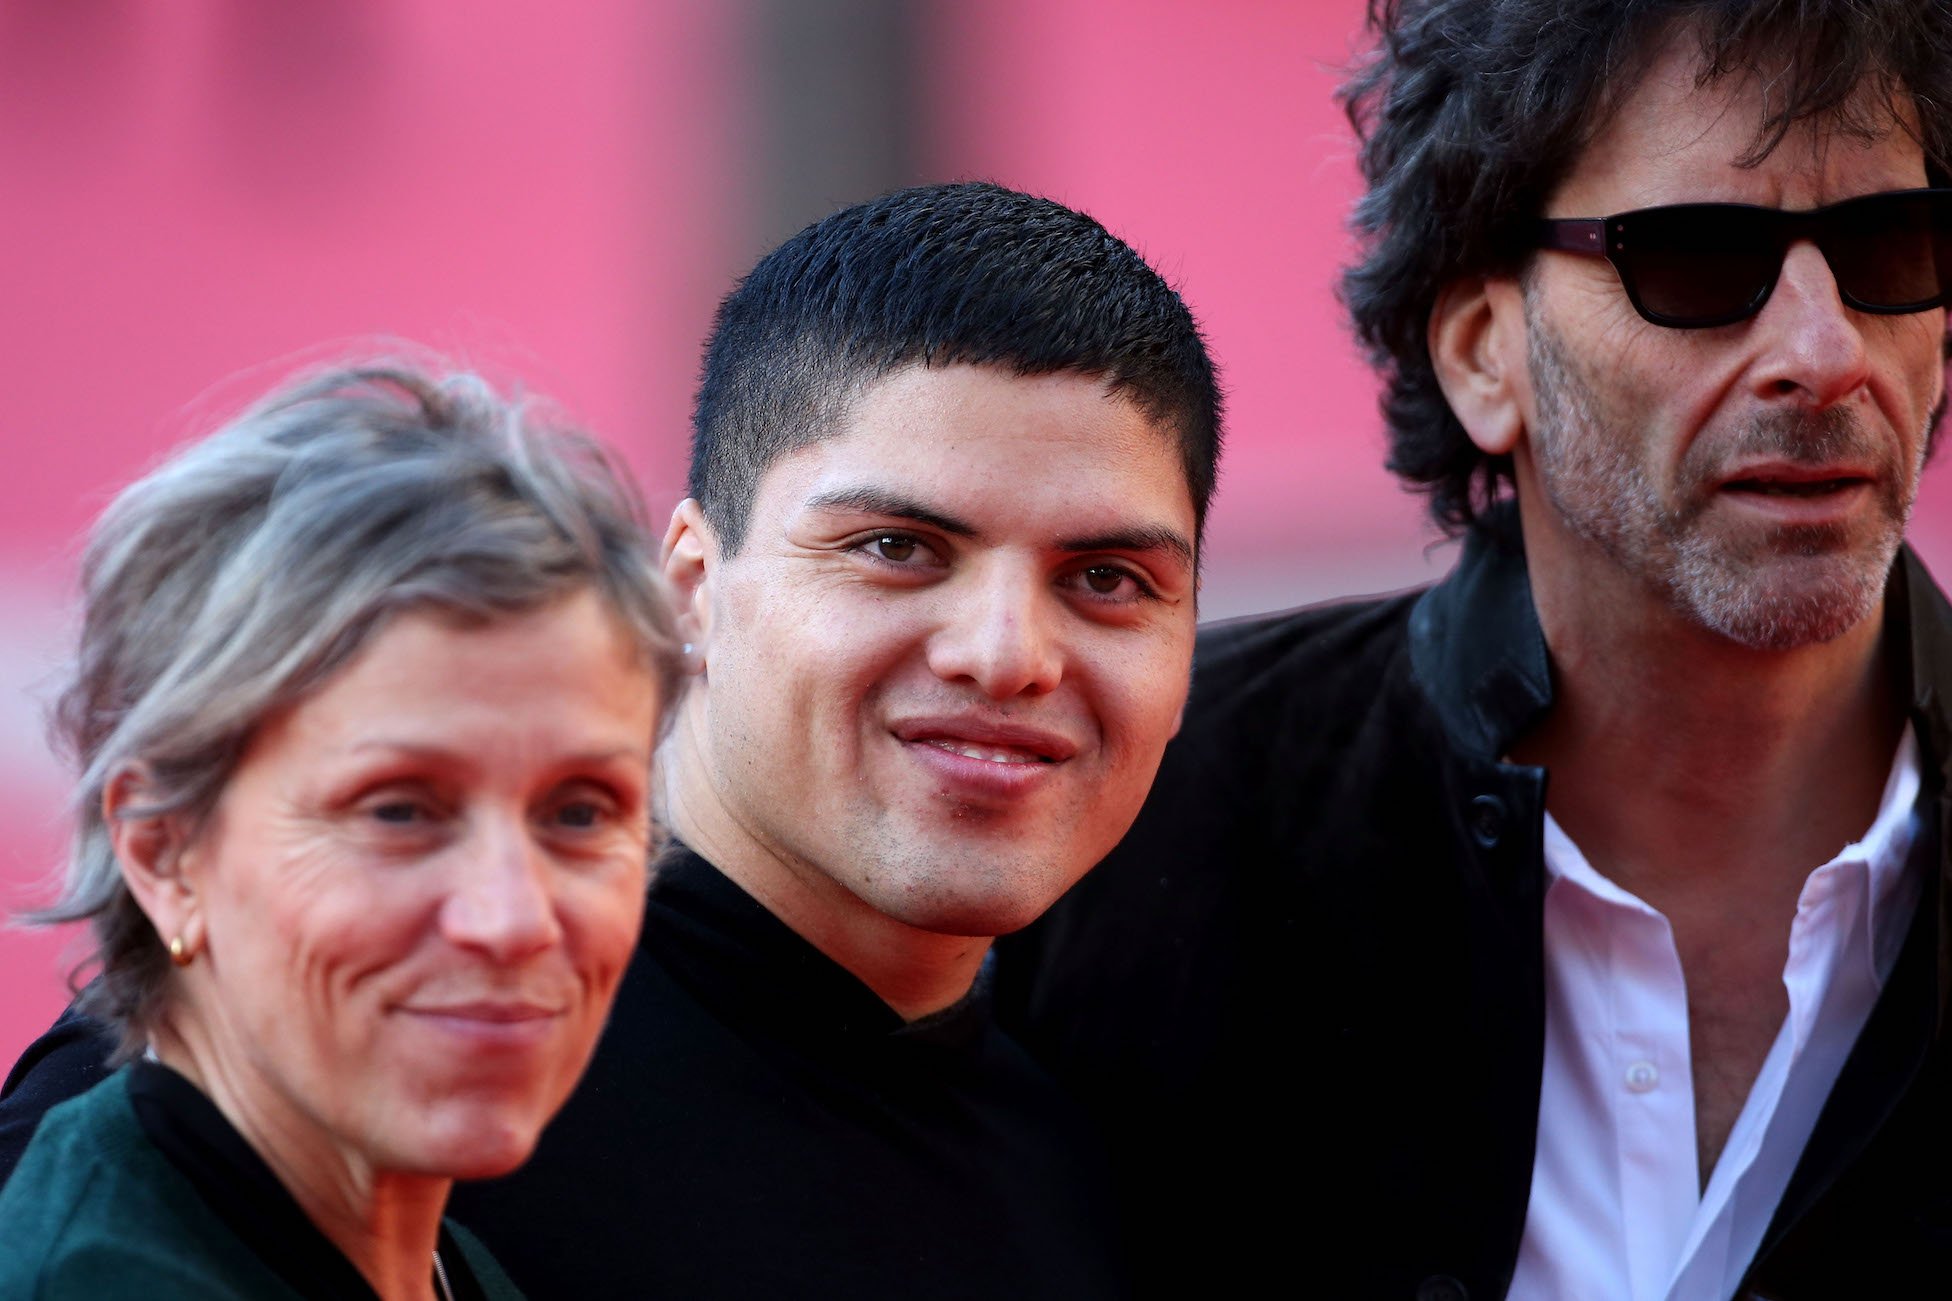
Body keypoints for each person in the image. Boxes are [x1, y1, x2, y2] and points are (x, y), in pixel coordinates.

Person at [2, 182, 1222, 1298]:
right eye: (896, 548)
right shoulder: (373, 1054)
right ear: (691, 585)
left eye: (1107, 577)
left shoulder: (1112, 1133)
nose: (1005, 652)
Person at [995, 2, 1952, 1298]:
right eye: (1697, 259)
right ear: (1480, 354)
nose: (1824, 352)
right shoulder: (1134, 828)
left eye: (1890, 244)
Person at [0, 363, 684, 1300]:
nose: (514, 916)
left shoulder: (442, 1263)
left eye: (578, 812)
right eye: (398, 810)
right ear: (163, 849)